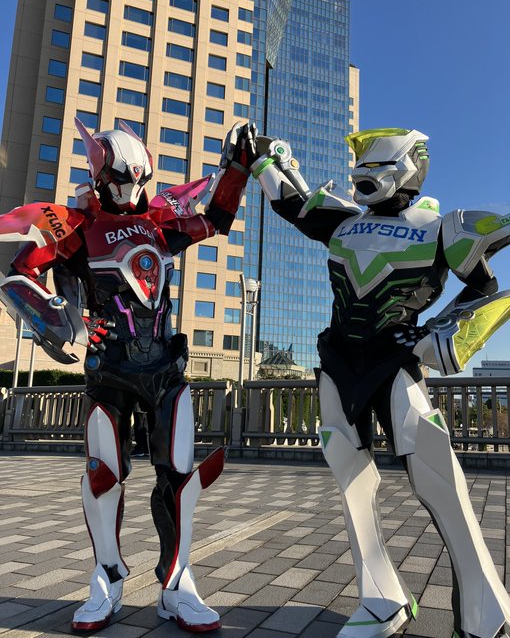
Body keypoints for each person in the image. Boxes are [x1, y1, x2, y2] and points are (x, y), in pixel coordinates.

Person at [250, 128, 510, 638]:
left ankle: (488, 610)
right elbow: (292, 201)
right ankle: (380, 599)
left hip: (395, 359)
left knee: (438, 480)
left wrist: (444, 333)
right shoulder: (344, 221)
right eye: (361, 169)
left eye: (375, 168)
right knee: (350, 479)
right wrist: (263, 161)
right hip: (338, 359)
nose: (363, 177)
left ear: (408, 168)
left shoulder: (442, 227)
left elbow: (486, 288)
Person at [0, 119, 256, 633]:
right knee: (103, 476)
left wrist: (238, 168)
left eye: (137, 178)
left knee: (179, 476)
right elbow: (19, 271)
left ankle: (177, 583)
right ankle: (107, 578)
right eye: (120, 177)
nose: (129, 187)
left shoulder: (160, 223)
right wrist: (61, 318)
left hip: (164, 366)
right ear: (101, 176)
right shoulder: (74, 226)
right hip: (110, 368)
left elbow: (216, 219)